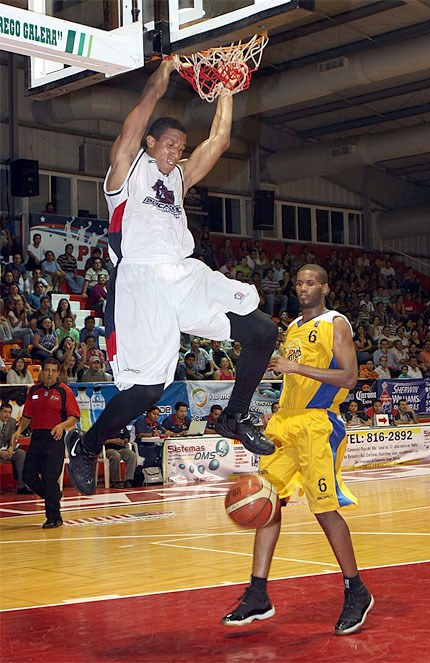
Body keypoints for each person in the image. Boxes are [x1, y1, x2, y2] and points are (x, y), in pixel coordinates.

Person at [65, 59, 277, 495]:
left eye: (181, 146)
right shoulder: (126, 171)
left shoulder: (178, 179)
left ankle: (235, 416)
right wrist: (163, 74)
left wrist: (227, 93)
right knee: (146, 392)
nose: (176, 152)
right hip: (140, 283)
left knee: (262, 331)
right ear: (149, 143)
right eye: (169, 145)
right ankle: (85, 447)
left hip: (185, 275)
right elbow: (142, 109)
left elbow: (218, 140)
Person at [222, 264, 373, 635]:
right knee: (267, 499)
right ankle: (258, 593)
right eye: (299, 283)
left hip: (318, 424)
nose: (303, 288)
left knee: (324, 510)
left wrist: (295, 367)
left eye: (310, 283)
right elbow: (294, 374)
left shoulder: (336, 324)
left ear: (325, 287)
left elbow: (350, 378)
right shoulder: (292, 328)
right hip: (286, 423)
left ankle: (357, 590)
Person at [12, 357, 80, 528]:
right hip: (37, 438)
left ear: (58, 373)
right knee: (28, 475)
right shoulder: (33, 390)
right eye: (47, 370)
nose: (50, 374)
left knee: (50, 479)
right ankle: (54, 496)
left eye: (53, 371)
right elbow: (27, 416)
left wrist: (61, 426)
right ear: (41, 371)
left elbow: (74, 417)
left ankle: (54, 518)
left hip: (54, 439)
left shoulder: (64, 391)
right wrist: (19, 431)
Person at [0, 402, 32, 494]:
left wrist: (11, 448)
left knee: (21, 454)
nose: (7, 414)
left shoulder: (13, 421)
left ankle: (22, 486)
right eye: (5, 412)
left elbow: (13, 438)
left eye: (9, 412)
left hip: (6, 449)